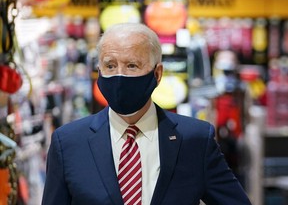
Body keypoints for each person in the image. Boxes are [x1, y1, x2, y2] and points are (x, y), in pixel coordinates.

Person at [41, 23, 252, 205]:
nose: (119, 75)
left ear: (157, 74)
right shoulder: (68, 143)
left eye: (132, 65)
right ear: (99, 70)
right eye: (110, 65)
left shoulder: (195, 140)